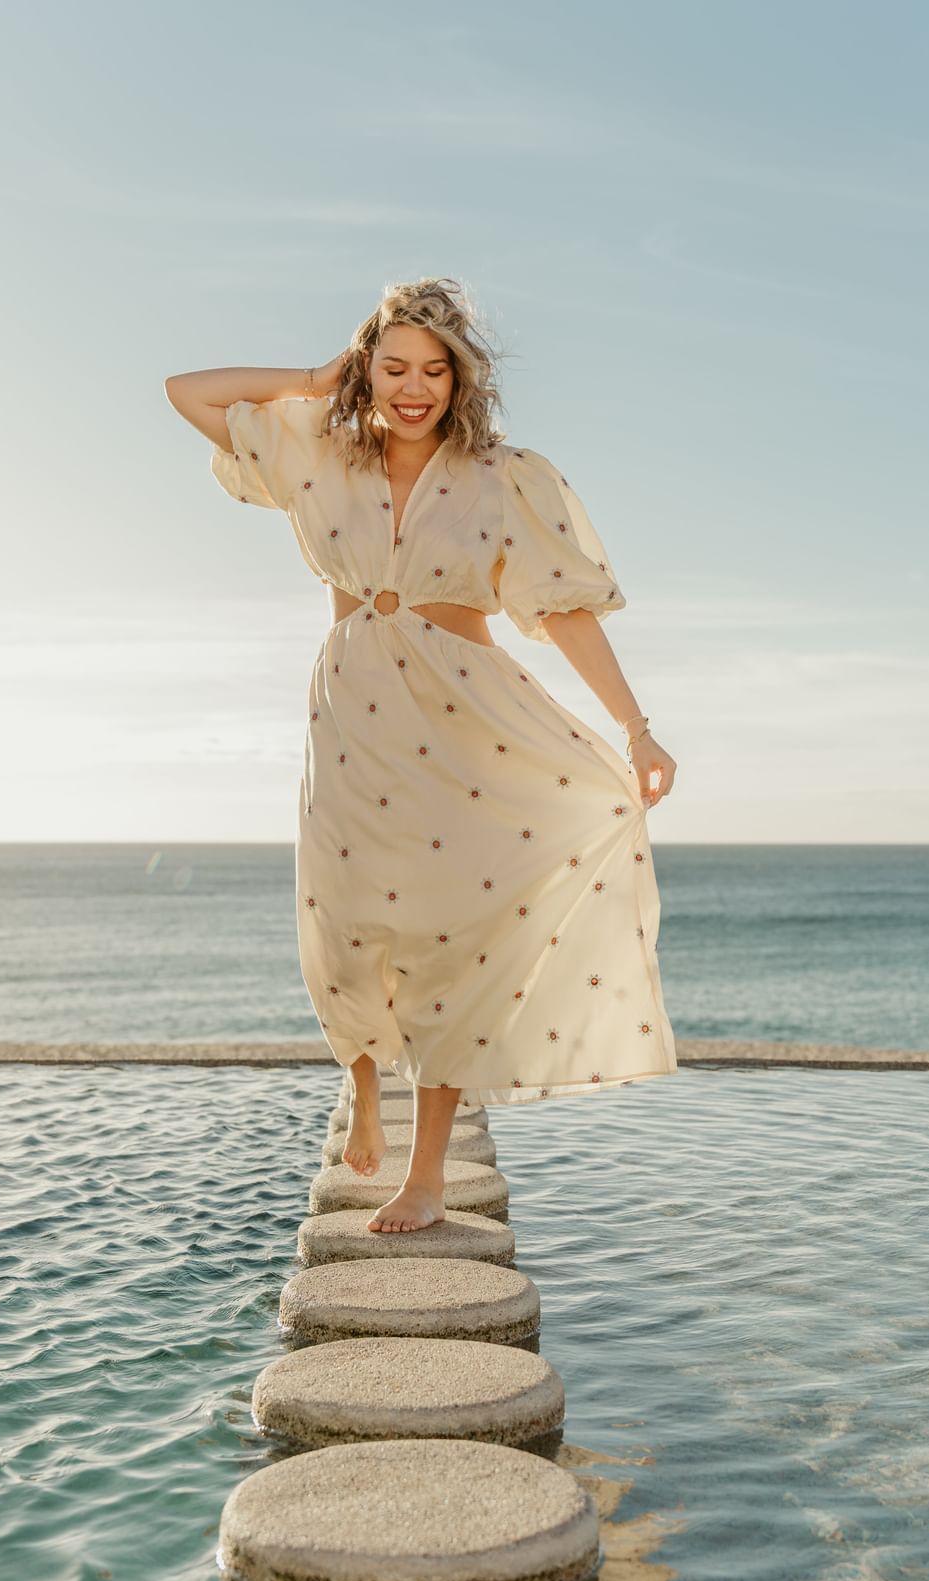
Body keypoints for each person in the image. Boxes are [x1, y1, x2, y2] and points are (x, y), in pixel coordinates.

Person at [165, 276, 679, 1235]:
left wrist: (635, 726)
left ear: (459, 379)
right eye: (392, 366)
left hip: (464, 716)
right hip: (354, 712)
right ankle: (362, 1086)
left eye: (433, 370)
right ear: (366, 369)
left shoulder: (503, 475)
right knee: (344, 918)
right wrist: (315, 375)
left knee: (451, 934)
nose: (412, 387)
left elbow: (561, 611)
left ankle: (426, 1173)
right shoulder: (314, 450)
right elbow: (185, 390)